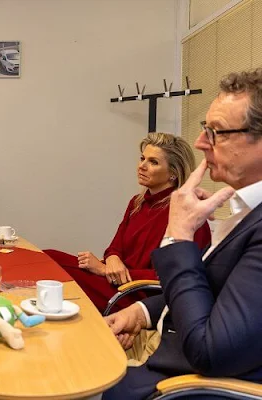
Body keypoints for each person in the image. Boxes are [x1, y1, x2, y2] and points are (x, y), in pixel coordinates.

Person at [103, 69, 262, 399]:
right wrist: (142, 311)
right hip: (168, 364)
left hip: (182, 387)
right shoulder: (244, 212)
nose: (201, 142)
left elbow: (211, 352)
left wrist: (179, 237)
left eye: (216, 132)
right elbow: (214, 293)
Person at [45, 133, 211, 313]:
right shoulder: (136, 203)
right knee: (47, 256)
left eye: (153, 162)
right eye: (142, 159)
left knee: (53, 270)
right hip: (115, 280)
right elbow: (115, 247)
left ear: (173, 173)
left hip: (137, 294)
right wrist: (112, 259)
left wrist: (102, 269)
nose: (142, 166)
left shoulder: (188, 212)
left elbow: (176, 275)